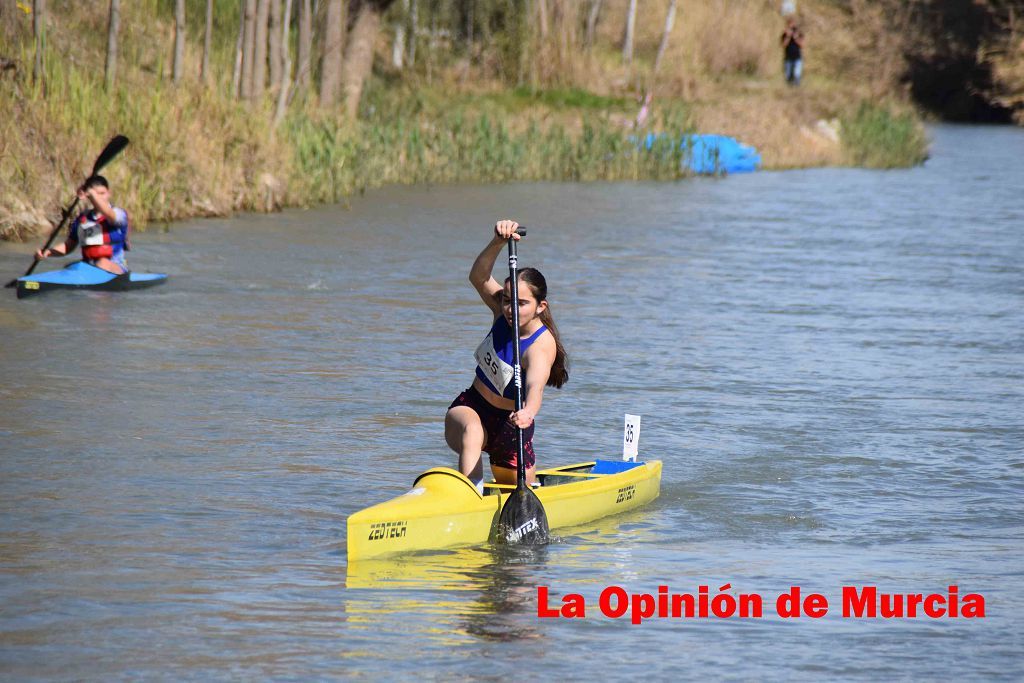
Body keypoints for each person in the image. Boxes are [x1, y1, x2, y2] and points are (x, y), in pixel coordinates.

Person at [445, 220, 569, 493]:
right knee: (473, 432)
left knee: (520, 489)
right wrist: (498, 242)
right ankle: (469, 499)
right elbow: (477, 277)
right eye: (507, 300)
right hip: (471, 407)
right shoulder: (502, 311)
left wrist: (528, 413)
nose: (512, 309)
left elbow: (535, 386)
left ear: (540, 307)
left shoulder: (541, 345)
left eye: (522, 303)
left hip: (511, 423)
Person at [34, 175, 131, 274]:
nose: (100, 197)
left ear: (109, 193)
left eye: (103, 193)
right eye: (97, 194)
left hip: (116, 267)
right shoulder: (82, 219)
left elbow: (109, 214)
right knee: (71, 267)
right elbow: (68, 246)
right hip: (88, 266)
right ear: (88, 196)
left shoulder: (119, 214)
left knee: (101, 263)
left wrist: (91, 192)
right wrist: (48, 252)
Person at [780, 17, 804, 86]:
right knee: (788, 76)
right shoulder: (785, 34)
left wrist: (795, 37)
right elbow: (783, 45)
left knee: (797, 75)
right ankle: (789, 89)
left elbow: (802, 45)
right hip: (788, 57)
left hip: (797, 57)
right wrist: (788, 36)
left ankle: (797, 89)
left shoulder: (798, 33)